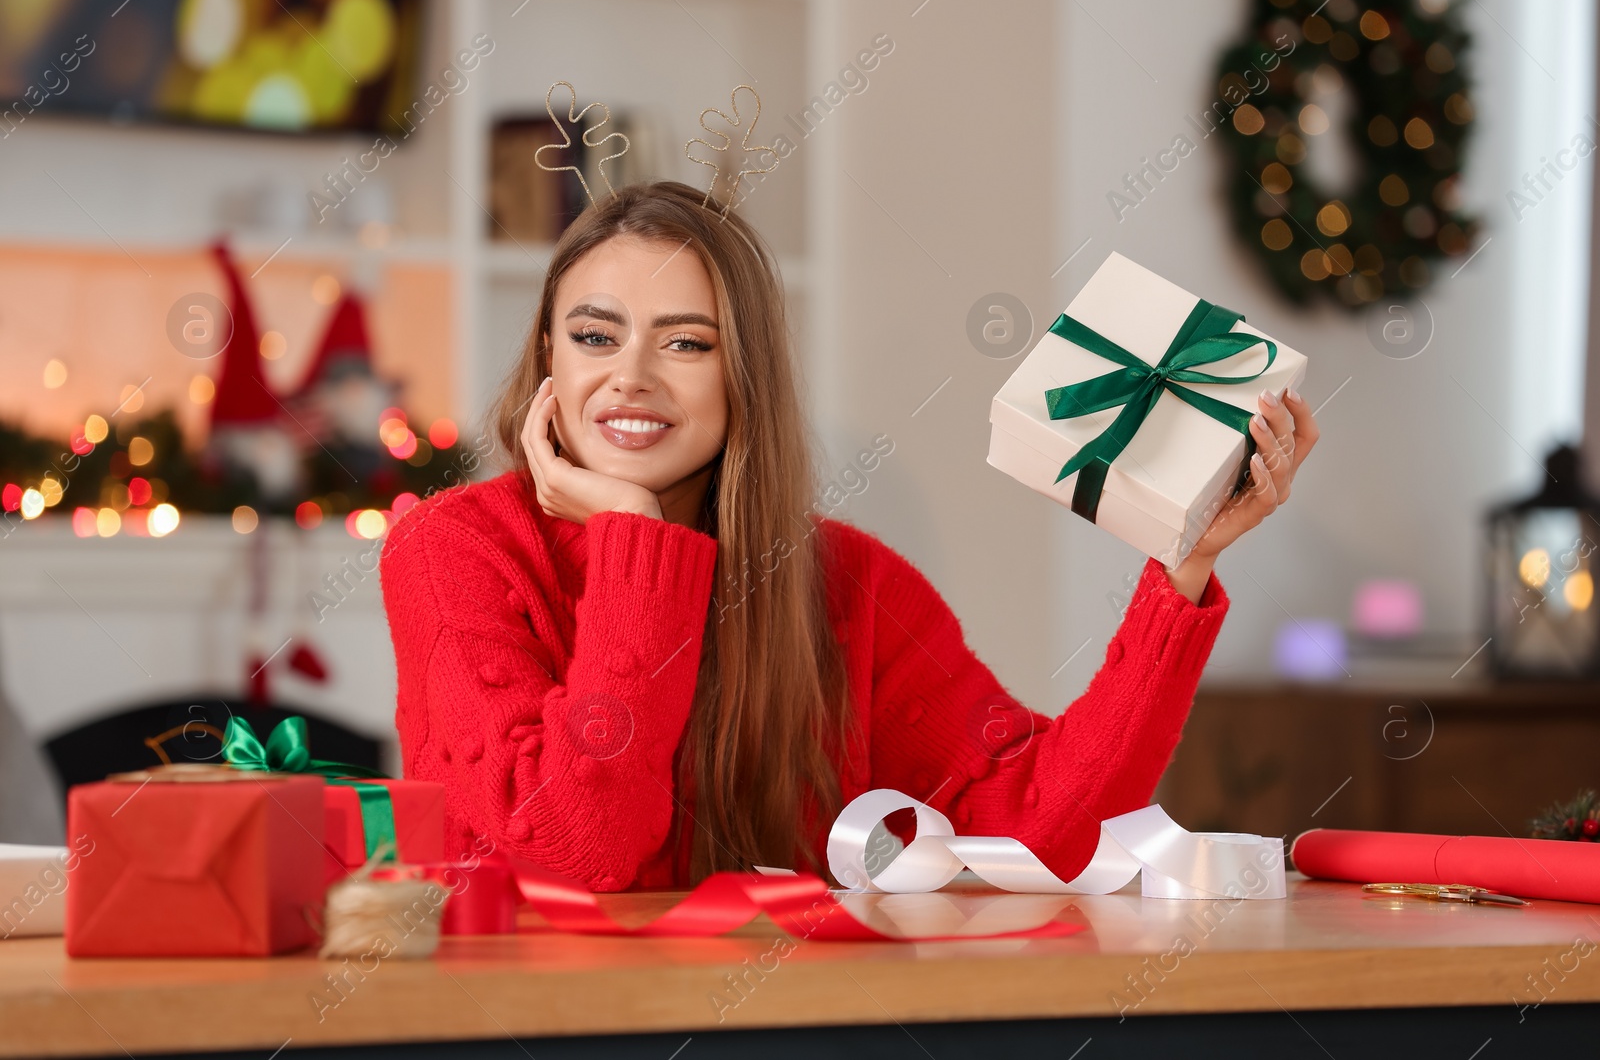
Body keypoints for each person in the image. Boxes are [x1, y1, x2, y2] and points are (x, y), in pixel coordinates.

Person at [379, 180, 1316, 891]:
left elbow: (1038, 821)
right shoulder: (451, 551)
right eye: (593, 336)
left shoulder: (846, 579)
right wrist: (634, 533)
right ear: (547, 352)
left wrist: (1184, 566)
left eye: (686, 343)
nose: (630, 376)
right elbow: (578, 856)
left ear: (744, 372)